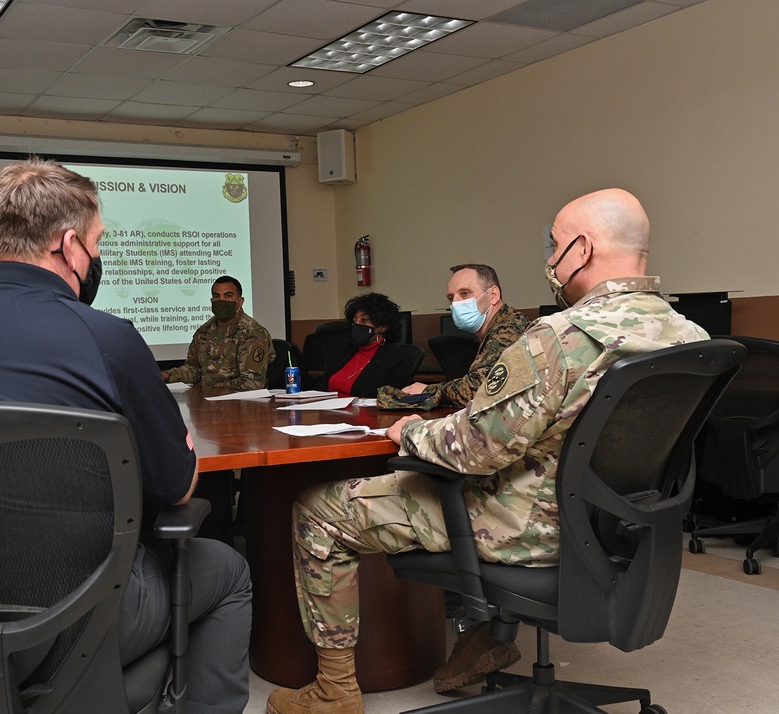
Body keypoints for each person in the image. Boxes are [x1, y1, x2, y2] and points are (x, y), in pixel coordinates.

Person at [265, 188, 710, 714]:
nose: (549, 260)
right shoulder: (691, 336)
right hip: (619, 527)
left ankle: (335, 693)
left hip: (524, 528)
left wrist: (407, 432)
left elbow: (472, 452)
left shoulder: (559, 337)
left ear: (583, 250)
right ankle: (486, 637)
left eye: (554, 246)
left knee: (319, 510)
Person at [0, 158, 252, 714]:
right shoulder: (106, 339)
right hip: (67, 625)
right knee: (228, 571)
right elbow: (177, 489)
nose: (97, 256)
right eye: (97, 243)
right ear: (69, 245)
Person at [377, 264, 528, 410]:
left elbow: (477, 390)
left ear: (493, 295)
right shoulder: (501, 325)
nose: (455, 303)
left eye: (465, 293)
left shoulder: (508, 329)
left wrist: (427, 390)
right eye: (451, 298)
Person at [161, 276, 275, 391]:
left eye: (228, 296)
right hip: (207, 401)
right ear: (212, 300)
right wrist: (167, 376)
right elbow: (194, 369)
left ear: (240, 302)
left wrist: (207, 389)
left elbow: (251, 383)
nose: (221, 300)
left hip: (240, 403)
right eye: (216, 296)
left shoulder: (253, 333)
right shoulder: (204, 331)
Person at [318, 293, 413, 397]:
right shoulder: (347, 349)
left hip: (362, 412)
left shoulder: (396, 359)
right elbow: (322, 386)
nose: (357, 325)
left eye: (364, 320)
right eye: (355, 321)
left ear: (382, 327)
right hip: (328, 410)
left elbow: (389, 399)